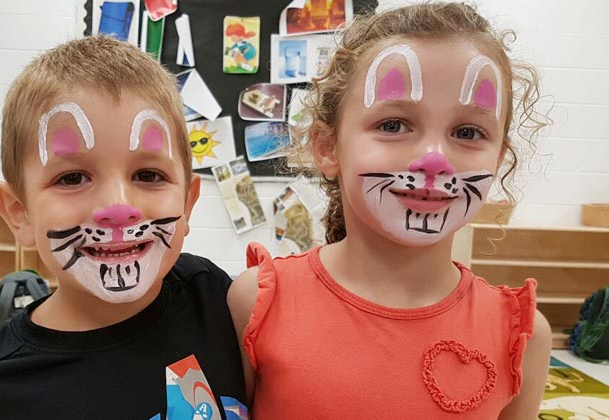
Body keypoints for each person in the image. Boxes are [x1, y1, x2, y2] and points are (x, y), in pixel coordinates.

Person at [228, 3, 552, 419]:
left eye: (468, 132)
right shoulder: (256, 302)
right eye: (393, 125)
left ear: (499, 159)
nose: (434, 159)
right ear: (327, 147)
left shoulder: (521, 337)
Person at [0, 36, 247, 420]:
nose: (118, 209)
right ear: (20, 214)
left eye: (148, 174)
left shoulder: (214, 298)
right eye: (72, 178)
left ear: (187, 203)